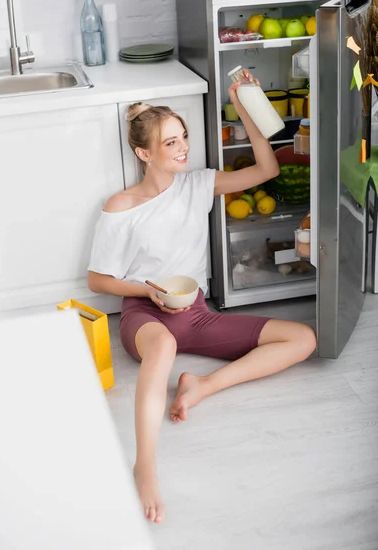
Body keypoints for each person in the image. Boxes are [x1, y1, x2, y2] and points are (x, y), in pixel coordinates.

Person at [87, 70, 316, 525]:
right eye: (170, 142)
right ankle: (145, 464)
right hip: (145, 315)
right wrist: (147, 292)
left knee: (303, 339)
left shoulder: (199, 185)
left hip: (196, 312)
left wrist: (245, 103)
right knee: (166, 346)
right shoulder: (121, 206)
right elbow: (98, 280)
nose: (183, 147)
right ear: (143, 153)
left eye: (183, 137)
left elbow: (267, 170)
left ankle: (202, 386)